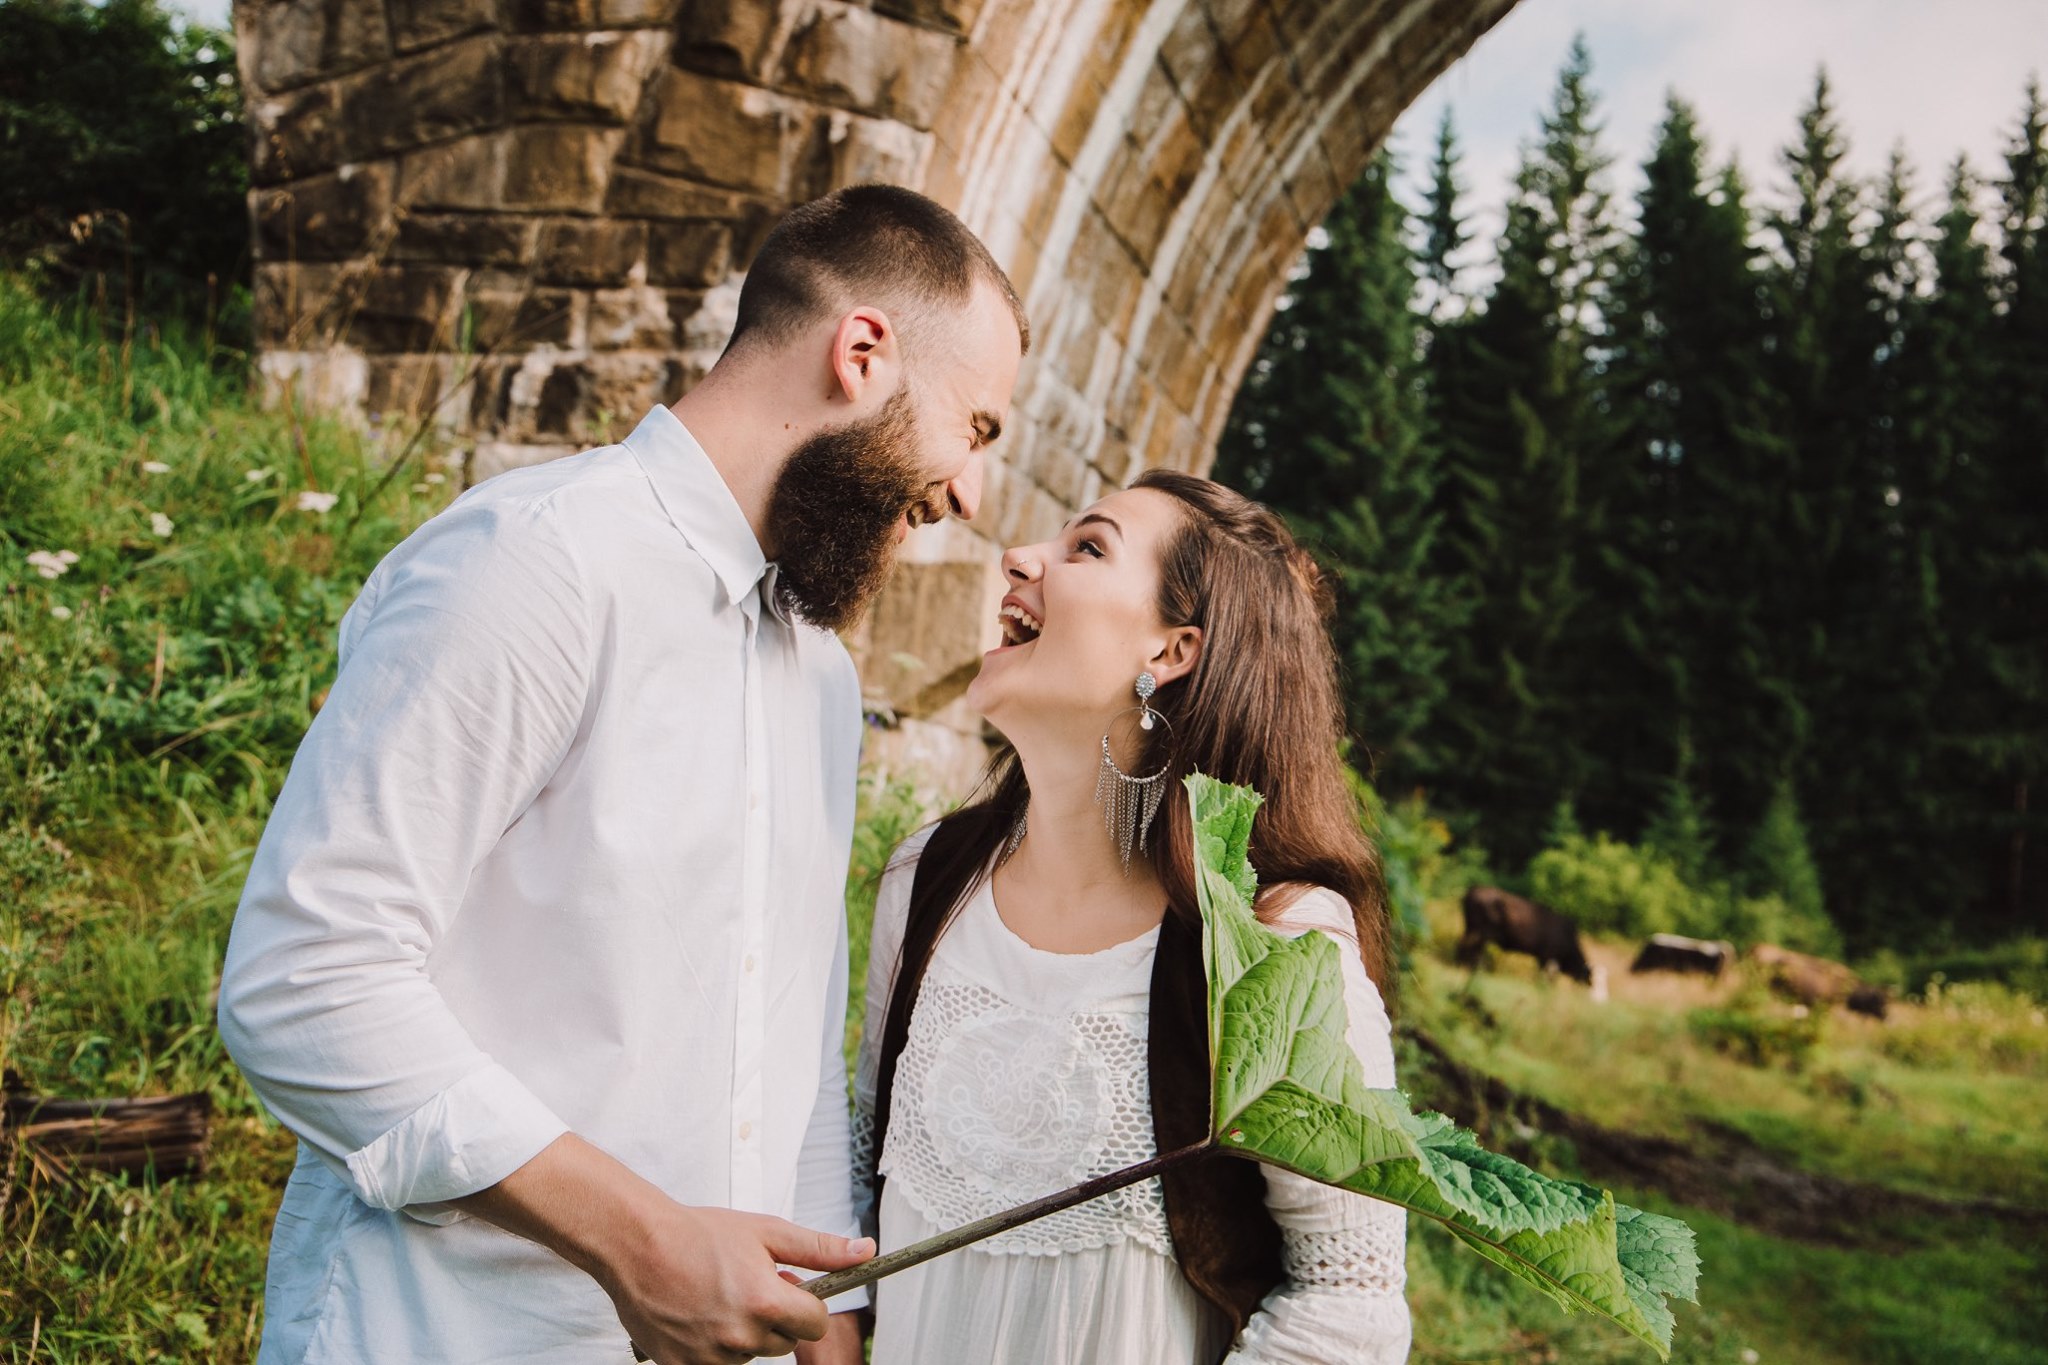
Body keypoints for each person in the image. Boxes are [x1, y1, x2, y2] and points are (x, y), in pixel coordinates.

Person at [216, 184, 1029, 1365]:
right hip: (442, 1335)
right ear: (860, 354)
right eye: (976, 427)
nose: (967, 492)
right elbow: (302, 981)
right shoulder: (537, 566)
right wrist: (641, 1243)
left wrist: (829, 1327)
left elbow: (789, 1043)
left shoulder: (819, 677)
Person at [852, 472, 1412, 1363]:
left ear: (1175, 649)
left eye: (1089, 547)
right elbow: (856, 1164)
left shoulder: (1275, 944)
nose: (1019, 557)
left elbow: (1349, 1303)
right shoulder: (926, 878)